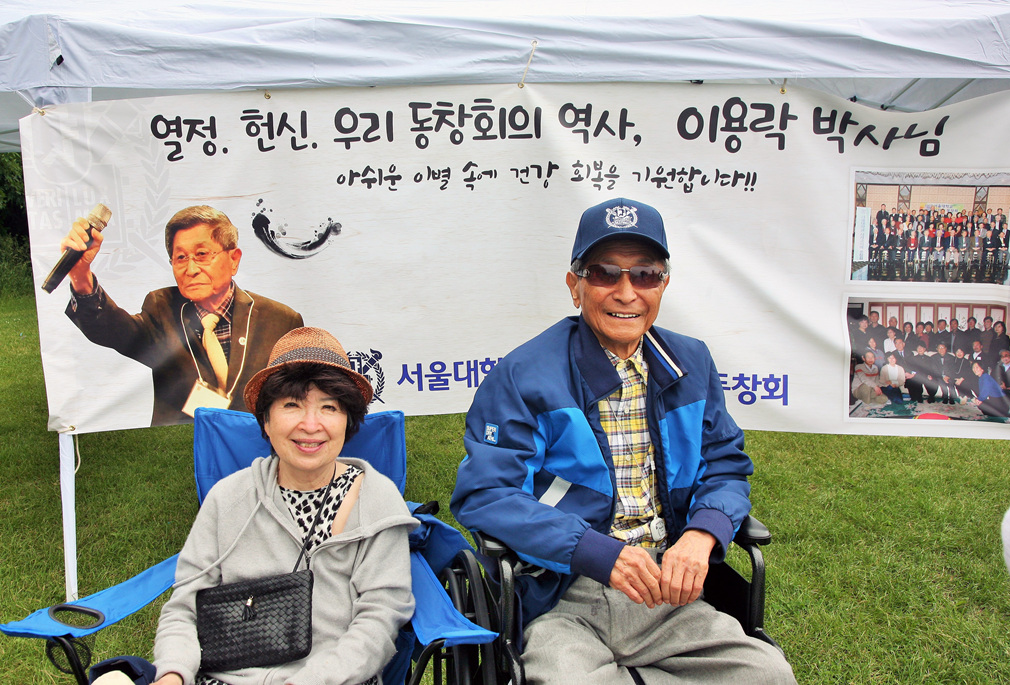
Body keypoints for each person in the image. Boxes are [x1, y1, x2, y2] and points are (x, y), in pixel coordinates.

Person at [450, 198, 795, 684]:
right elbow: (487, 494)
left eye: (646, 274)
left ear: (664, 284)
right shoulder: (523, 375)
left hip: (668, 591)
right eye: (605, 273)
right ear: (575, 285)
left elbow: (724, 465)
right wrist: (596, 553)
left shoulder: (691, 362)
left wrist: (704, 533)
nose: (627, 292)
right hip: (564, 591)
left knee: (767, 674)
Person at [140, 327, 417, 685]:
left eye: (329, 407)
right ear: (266, 421)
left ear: (348, 421)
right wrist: (172, 673)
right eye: (292, 405)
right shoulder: (228, 498)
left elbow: (380, 618)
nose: (311, 425)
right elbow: (185, 607)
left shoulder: (376, 500)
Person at [61, 205, 304, 426]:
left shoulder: (281, 320)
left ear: (233, 259)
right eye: (180, 258)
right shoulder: (161, 308)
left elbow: (298, 398)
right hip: (183, 446)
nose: (191, 269)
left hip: (259, 444)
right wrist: (81, 276)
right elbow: (113, 329)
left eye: (202, 254)